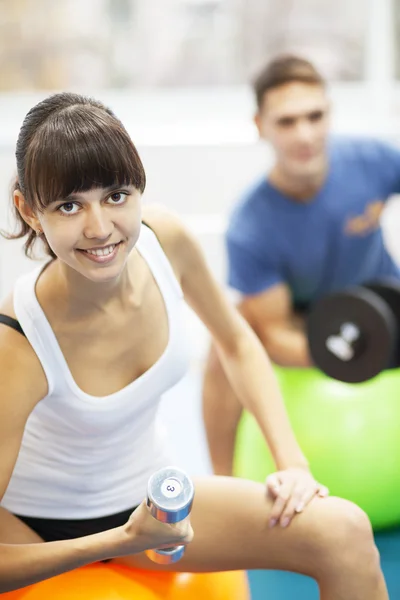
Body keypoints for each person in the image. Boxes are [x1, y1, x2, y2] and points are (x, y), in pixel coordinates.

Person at [0, 92, 387, 599]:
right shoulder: (19, 343)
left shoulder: (166, 240)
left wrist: (291, 462)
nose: (99, 229)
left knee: (345, 532)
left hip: (152, 496)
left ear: (139, 188)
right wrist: (121, 540)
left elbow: (236, 341)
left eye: (116, 196)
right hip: (46, 525)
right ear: (29, 210)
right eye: (69, 206)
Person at [203, 54, 400, 476]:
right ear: (260, 125)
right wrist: (356, 353)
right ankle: (223, 485)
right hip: (305, 323)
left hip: (386, 304)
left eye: (314, 116)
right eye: (287, 121)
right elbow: (273, 334)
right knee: (226, 338)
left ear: (329, 114)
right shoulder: (250, 226)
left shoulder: (374, 160)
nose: (305, 134)